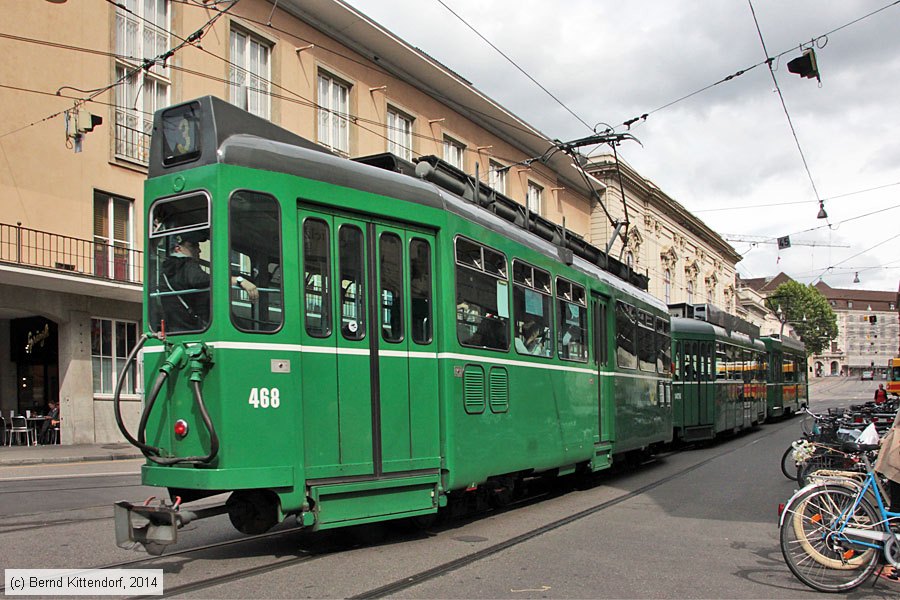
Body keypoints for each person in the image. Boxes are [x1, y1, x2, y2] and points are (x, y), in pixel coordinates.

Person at [161, 232, 258, 330]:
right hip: (196, 328)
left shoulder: (166, 270)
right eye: (193, 246)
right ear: (178, 249)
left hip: (177, 328)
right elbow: (200, 279)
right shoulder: (185, 263)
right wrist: (238, 280)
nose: (199, 250)